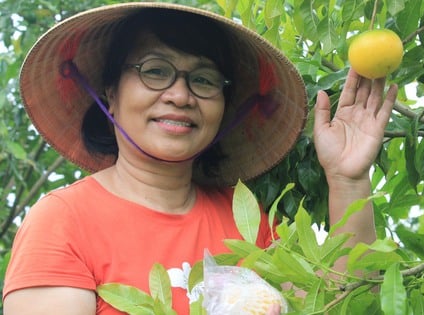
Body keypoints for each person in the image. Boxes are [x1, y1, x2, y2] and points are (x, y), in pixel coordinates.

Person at [3, 2, 398, 315]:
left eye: (204, 79)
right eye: (155, 71)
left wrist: (348, 181)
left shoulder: (250, 221)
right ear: (110, 92)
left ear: (224, 107)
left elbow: (342, 304)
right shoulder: (62, 222)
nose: (180, 95)